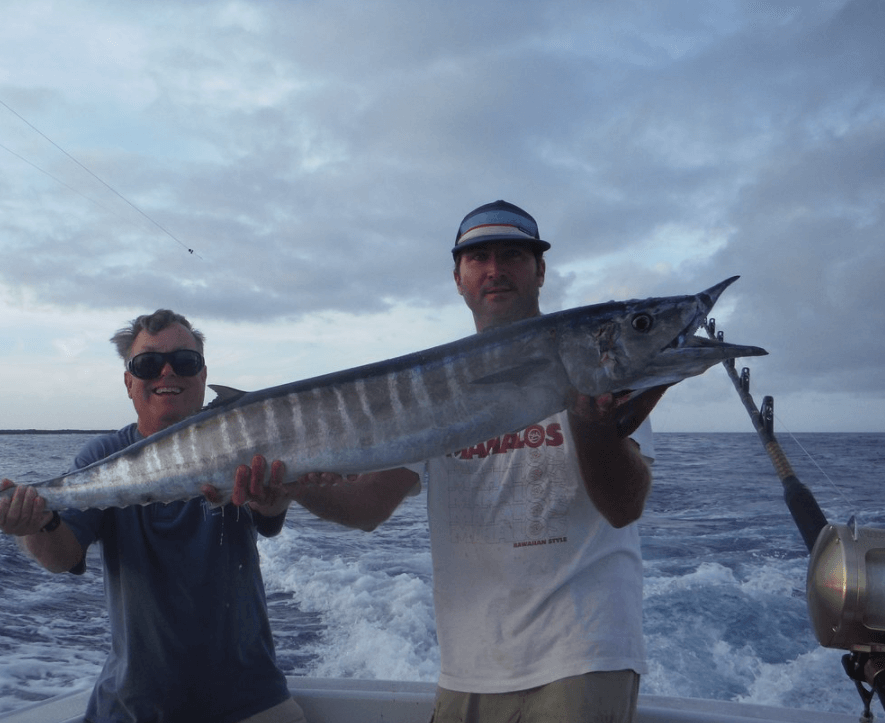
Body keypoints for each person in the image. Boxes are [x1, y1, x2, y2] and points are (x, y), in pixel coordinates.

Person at [237, 200, 667, 723]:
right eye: (477, 258)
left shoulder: (598, 363)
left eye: (512, 254)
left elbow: (623, 506)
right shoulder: (431, 389)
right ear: (458, 278)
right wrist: (294, 485)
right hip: (468, 670)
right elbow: (369, 505)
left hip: (583, 653)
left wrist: (592, 421)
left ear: (540, 271)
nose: (494, 269)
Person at [0, 309, 307, 723]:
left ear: (204, 374)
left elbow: (268, 514)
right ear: (128, 381)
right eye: (149, 363)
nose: (167, 372)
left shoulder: (245, 438)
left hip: (252, 700)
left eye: (185, 361)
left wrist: (272, 496)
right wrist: (39, 523)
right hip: (135, 707)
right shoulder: (102, 456)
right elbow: (61, 557)